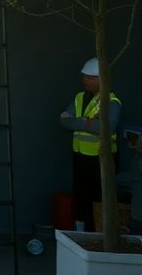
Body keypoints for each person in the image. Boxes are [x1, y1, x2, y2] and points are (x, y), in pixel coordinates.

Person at [60, 57, 122, 232]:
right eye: (84, 76)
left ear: (101, 79)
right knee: (81, 197)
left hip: (102, 159)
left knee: (100, 198)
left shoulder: (112, 101)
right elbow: (63, 120)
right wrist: (88, 123)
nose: (84, 80)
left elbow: (105, 127)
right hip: (81, 158)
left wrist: (78, 122)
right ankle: (80, 232)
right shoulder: (80, 97)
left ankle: (100, 233)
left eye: (89, 77)